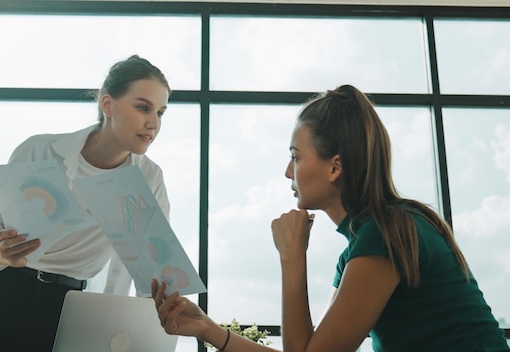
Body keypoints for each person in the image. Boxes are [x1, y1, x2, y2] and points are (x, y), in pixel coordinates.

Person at [152, 84, 509, 351]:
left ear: (335, 166)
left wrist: (292, 258)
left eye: (296, 156)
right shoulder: (364, 245)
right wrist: (208, 329)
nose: (288, 172)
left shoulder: (388, 232)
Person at [0, 55, 172, 352]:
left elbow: (154, 274)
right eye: (143, 107)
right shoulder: (40, 150)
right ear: (108, 105)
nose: (153, 123)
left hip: (68, 308)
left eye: (160, 112)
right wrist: (4, 252)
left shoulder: (148, 178)